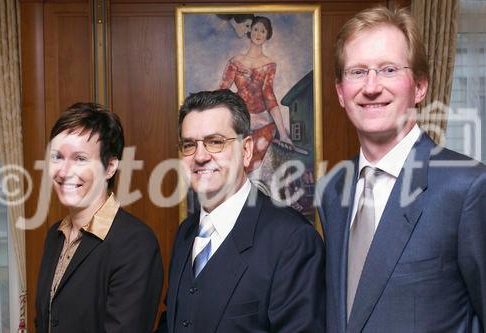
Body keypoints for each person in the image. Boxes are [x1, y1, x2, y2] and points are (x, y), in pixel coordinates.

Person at [317, 6, 486, 332]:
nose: (371, 86)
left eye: (389, 69)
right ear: (340, 92)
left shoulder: (469, 188)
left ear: (420, 86)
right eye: (357, 72)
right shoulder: (333, 189)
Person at [156, 89, 325, 332]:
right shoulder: (186, 233)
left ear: (246, 151)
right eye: (189, 145)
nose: (200, 156)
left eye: (215, 142)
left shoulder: (293, 240)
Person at [35, 103, 163, 332]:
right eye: (57, 157)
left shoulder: (136, 243)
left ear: (110, 167)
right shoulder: (55, 236)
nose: (64, 172)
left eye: (80, 159)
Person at [220, 16, 294, 172]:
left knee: (255, 170)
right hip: (240, 123)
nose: (258, 33)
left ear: (267, 35)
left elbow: (269, 96)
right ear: (249, 31)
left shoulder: (269, 64)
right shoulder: (235, 61)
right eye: (255, 29)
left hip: (262, 125)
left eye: (263, 30)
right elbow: (223, 89)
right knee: (234, 167)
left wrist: (283, 134)